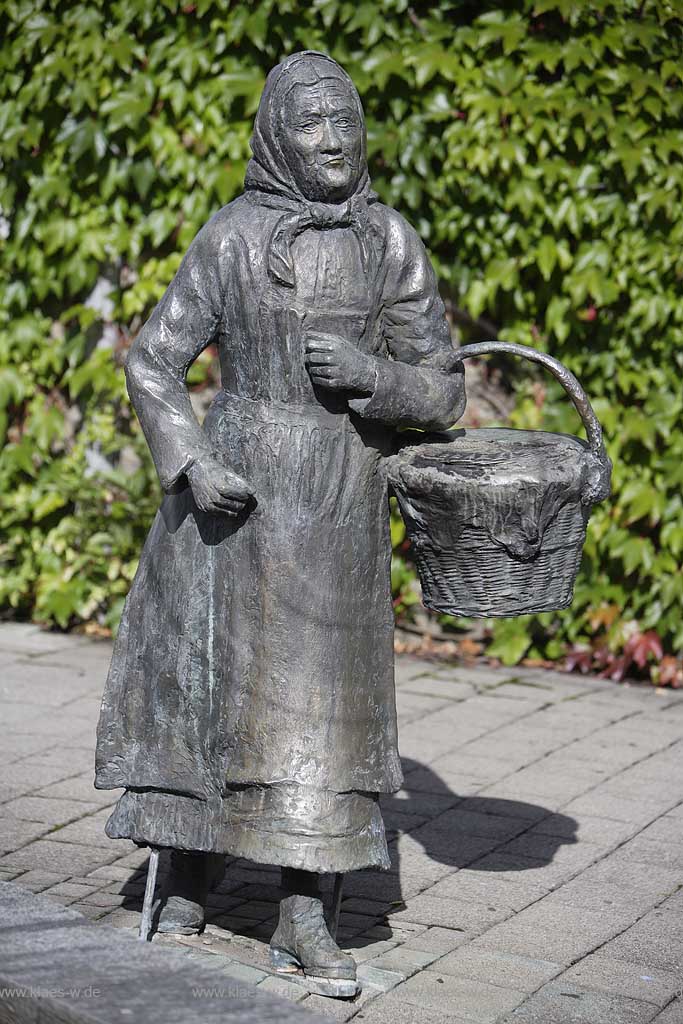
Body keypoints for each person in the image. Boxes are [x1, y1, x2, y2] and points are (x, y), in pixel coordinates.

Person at [95, 50, 465, 996]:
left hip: (336, 501)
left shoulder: (389, 243)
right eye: (310, 122)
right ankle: (186, 865)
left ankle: (306, 902)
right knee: (205, 695)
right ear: (275, 134)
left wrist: (373, 378)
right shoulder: (229, 238)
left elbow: (446, 390)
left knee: (320, 707)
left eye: (345, 119)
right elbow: (154, 361)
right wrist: (191, 458)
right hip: (227, 507)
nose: (333, 140)